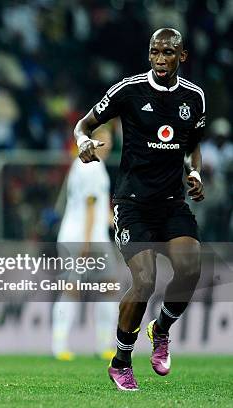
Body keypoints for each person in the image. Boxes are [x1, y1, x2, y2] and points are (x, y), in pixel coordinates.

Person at [74, 28, 205, 391]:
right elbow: (83, 125)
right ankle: (121, 362)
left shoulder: (194, 97)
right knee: (144, 281)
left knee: (191, 268)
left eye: (168, 52)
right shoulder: (128, 90)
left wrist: (193, 171)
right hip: (132, 204)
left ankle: (160, 329)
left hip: (172, 203)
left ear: (183, 56)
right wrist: (84, 142)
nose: (160, 59)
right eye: (154, 52)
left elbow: (193, 144)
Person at [52, 125, 118, 362]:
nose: (107, 144)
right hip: (85, 237)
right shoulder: (91, 166)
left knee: (75, 289)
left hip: (78, 234)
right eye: (102, 139)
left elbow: (99, 210)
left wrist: (119, 223)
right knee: (99, 289)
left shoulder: (85, 164)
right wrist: (87, 245)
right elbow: (91, 209)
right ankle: (100, 345)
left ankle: (62, 345)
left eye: (109, 140)